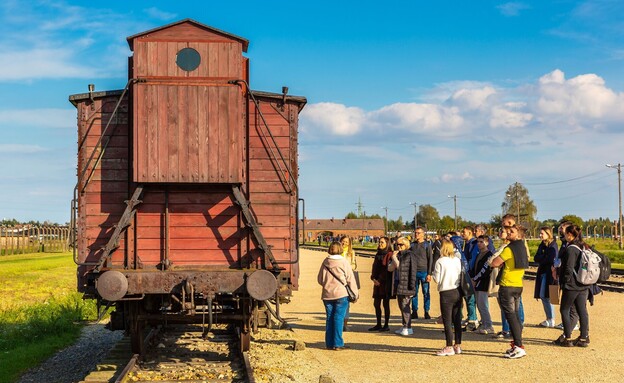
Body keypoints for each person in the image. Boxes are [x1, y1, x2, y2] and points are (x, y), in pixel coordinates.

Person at [490, 224, 529, 359]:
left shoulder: (509, 249)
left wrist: (498, 261)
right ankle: (517, 344)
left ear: (518, 235)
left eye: (511, 232)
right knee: (515, 316)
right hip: (518, 285)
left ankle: (519, 346)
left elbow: (494, 262)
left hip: (507, 286)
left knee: (511, 316)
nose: (508, 233)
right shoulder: (522, 247)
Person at [553, 225, 591, 347]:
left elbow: (568, 268)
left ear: (570, 234)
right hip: (583, 283)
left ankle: (567, 338)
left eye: (565, 234)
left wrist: (564, 281)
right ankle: (584, 338)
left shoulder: (571, 249)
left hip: (572, 285)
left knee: (564, 309)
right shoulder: (583, 246)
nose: (563, 236)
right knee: (582, 311)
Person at [317, 241, 359, 350]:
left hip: (327, 294)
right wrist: (355, 294)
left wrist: (327, 284)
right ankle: (338, 344)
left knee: (329, 318)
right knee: (339, 318)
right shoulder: (344, 262)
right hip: (341, 294)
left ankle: (329, 343)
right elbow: (350, 279)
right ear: (340, 249)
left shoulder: (325, 262)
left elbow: (320, 279)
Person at [432, 239, 463, 356]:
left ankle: (449, 345)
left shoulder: (440, 261)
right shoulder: (456, 260)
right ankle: (457, 345)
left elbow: (437, 279)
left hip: (446, 292)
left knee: (447, 321)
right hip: (457, 290)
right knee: (457, 319)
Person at [388, 237, 416, 336]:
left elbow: (401, 267)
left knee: (405, 306)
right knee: (401, 305)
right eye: (397, 245)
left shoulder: (409, 255)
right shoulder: (398, 255)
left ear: (406, 245)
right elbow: (390, 268)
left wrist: (394, 258)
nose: (398, 246)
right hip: (398, 283)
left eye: (401, 245)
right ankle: (404, 324)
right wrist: (393, 259)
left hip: (406, 283)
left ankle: (408, 327)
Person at [534, 226, 558, 328]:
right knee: (543, 295)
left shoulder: (553, 245)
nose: (540, 235)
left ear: (548, 234)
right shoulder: (542, 245)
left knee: (547, 296)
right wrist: (543, 257)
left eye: (542, 233)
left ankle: (551, 319)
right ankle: (549, 318)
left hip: (549, 273)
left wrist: (542, 258)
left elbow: (550, 259)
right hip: (543, 272)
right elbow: (536, 257)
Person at [471, 235, 495, 334]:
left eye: (482, 242)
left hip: (483, 282)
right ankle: (484, 324)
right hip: (477, 282)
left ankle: (489, 325)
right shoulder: (479, 254)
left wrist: (476, 279)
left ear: (487, 243)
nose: (479, 244)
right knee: (480, 305)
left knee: (483, 305)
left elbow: (485, 270)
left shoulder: (489, 254)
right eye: (478, 242)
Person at [369, 236, 393, 331]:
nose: (380, 244)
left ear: (387, 244)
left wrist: (380, 279)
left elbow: (386, 269)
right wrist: (373, 278)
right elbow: (374, 267)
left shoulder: (389, 254)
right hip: (377, 282)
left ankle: (386, 324)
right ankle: (378, 323)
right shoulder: (377, 254)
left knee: (385, 303)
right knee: (376, 303)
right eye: (379, 242)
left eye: (382, 242)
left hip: (385, 282)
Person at [410, 227, 433, 319]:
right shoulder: (412, 245)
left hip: (424, 272)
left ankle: (426, 311)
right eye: (415, 233)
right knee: (414, 293)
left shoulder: (427, 245)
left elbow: (430, 259)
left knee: (426, 292)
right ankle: (414, 311)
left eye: (418, 233)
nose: (416, 235)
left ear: (423, 234)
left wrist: (429, 273)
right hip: (414, 272)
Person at [460, 226, 479, 330]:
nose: (463, 234)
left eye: (464, 232)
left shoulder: (473, 243)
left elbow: (472, 259)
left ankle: (473, 319)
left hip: (470, 273)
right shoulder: (467, 244)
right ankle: (470, 317)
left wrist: (470, 272)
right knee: (467, 297)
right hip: (467, 273)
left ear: (470, 233)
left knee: (470, 297)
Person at [340, 235, 357, 331]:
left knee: (347, 302)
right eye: (343, 241)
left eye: (346, 242)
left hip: (347, 278)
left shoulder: (351, 252)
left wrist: (349, 269)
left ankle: (345, 324)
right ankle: (339, 323)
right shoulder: (337, 251)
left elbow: (354, 264)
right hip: (338, 279)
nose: (344, 243)